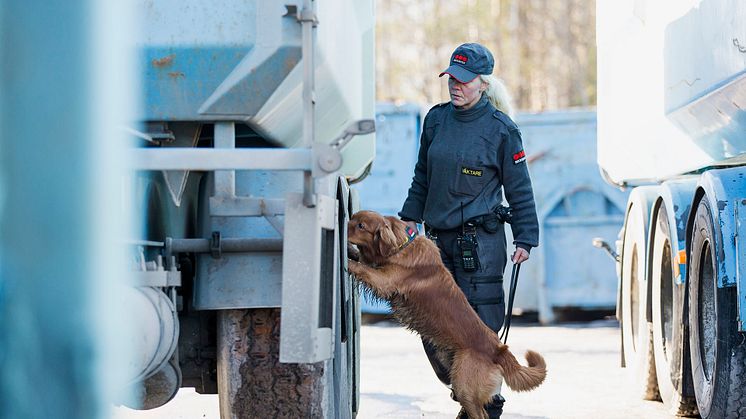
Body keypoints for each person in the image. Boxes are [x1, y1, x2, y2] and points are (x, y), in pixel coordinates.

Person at [398, 43, 539, 418]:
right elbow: (422, 175)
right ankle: (467, 393)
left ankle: (486, 404)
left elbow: (520, 188)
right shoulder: (436, 120)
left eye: (464, 80)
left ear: (483, 83)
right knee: (431, 326)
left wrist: (525, 237)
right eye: (451, 78)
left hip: (482, 247)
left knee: (478, 333)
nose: (455, 86)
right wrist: (410, 216)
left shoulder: (502, 130)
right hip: (436, 245)